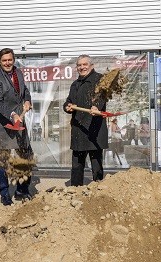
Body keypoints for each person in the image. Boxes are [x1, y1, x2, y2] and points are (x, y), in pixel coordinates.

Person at [0, 48, 34, 206]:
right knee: (3, 160)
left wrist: (27, 100)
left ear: (13, 60)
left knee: (25, 156)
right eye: (4, 60)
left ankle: (22, 190)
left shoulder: (19, 73)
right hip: (5, 124)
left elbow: (25, 91)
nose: (7, 63)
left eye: (10, 60)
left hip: (20, 123)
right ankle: (4, 193)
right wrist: (12, 114)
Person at [63, 54, 108, 186]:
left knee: (96, 163)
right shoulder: (75, 84)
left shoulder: (100, 79)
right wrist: (67, 107)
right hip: (78, 129)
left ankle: (98, 191)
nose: (82, 67)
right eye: (79, 65)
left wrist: (96, 106)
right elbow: (69, 101)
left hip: (94, 128)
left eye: (85, 64)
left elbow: (102, 96)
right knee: (77, 164)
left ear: (91, 66)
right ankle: (75, 189)